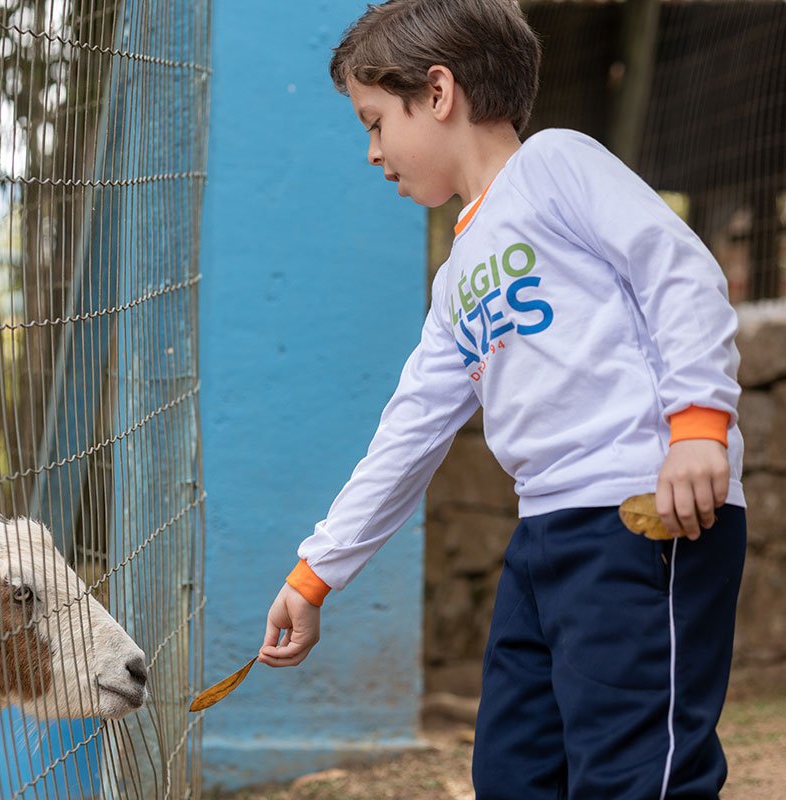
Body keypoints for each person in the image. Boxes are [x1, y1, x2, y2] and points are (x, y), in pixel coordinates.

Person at [257, 2, 747, 798]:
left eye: (376, 123)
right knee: (513, 770)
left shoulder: (555, 164)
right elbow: (410, 431)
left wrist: (698, 425)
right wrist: (316, 574)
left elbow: (679, 269)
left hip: (643, 509)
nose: (372, 152)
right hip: (544, 535)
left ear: (438, 91)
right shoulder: (457, 276)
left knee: (636, 770)